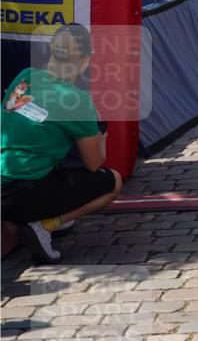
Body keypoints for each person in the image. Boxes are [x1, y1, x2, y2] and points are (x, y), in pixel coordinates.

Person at [1, 24, 122, 264]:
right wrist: (101, 135)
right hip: (24, 191)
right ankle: (45, 225)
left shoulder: (24, 76)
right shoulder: (77, 100)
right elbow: (93, 164)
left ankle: (46, 217)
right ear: (87, 59)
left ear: (51, 50)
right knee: (113, 181)